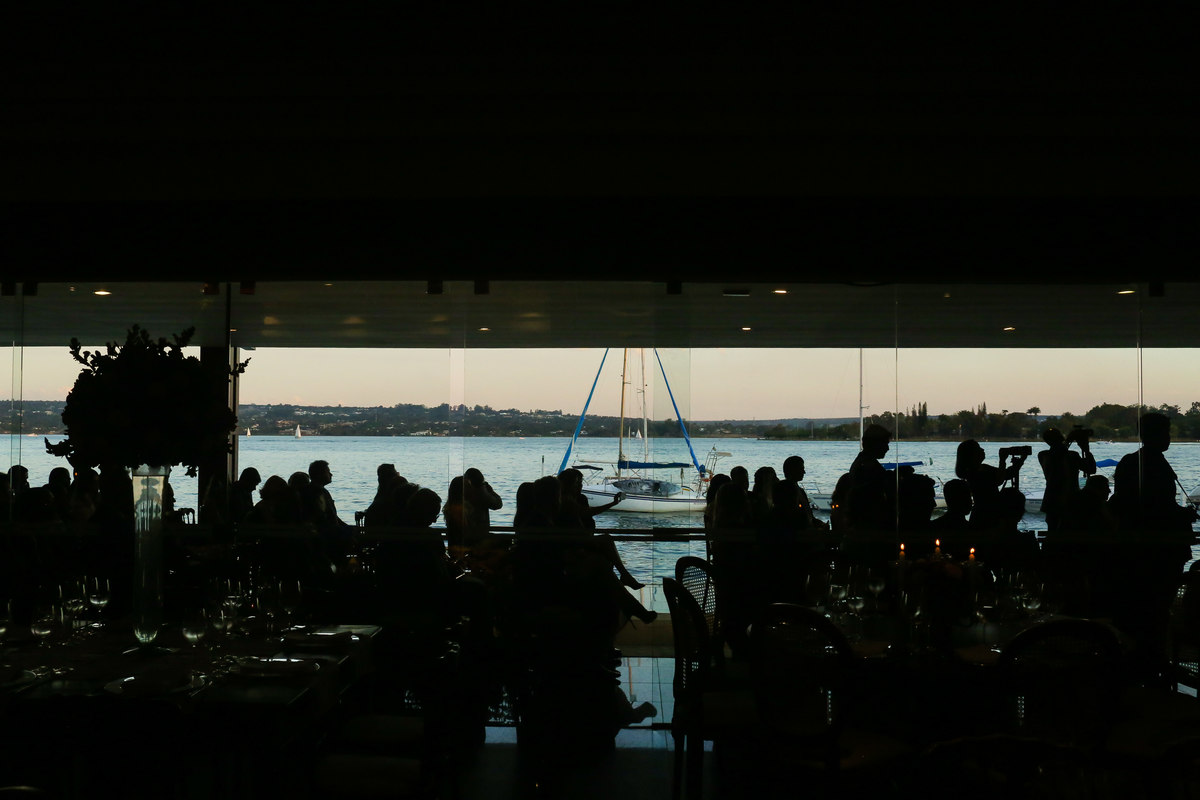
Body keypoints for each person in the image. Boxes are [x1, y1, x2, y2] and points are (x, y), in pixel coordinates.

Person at [1107, 412, 1200, 680]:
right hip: (1157, 552)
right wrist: (1181, 515)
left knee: (1147, 611)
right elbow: (1155, 508)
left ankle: (1146, 664)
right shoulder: (1151, 464)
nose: (1169, 438)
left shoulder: (1133, 462)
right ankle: (1152, 664)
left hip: (1141, 551)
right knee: (1155, 611)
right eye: (1166, 432)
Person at [955, 439, 1027, 532]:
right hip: (986, 516)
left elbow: (1006, 474)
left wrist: (1020, 461)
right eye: (978, 448)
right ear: (972, 454)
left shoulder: (980, 469)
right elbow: (1000, 479)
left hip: (985, 514)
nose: (982, 450)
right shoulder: (974, 473)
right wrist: (1003, 460)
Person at [1037, 427, 1096, 534]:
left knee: (1054, 531)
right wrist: (1085, 449)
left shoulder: (1043, 455)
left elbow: (1091, 469)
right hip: (1070, 499)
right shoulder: (1069, 455)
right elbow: (1091, 469)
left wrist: (1083, 448)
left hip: (1053, 499)